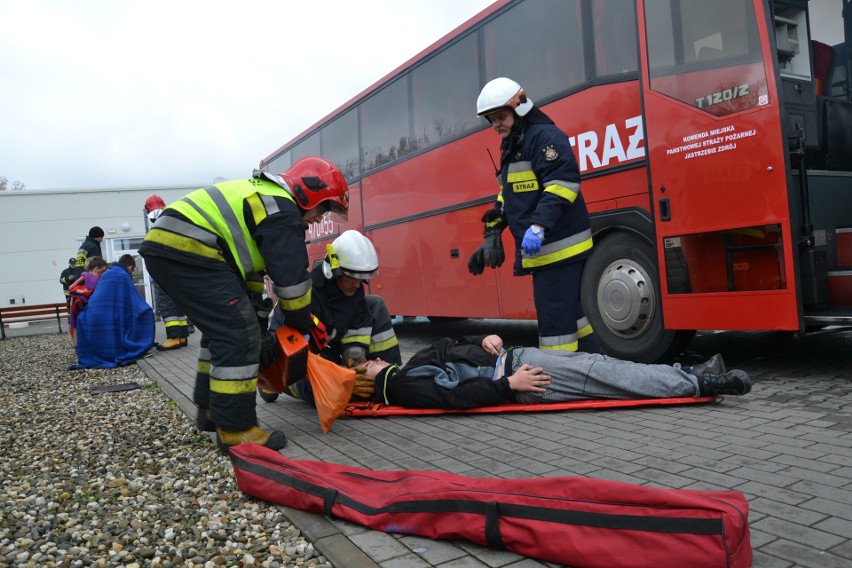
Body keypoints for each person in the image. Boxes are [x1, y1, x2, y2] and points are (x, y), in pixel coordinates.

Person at [138, 157, 350, 453]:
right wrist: (300, 327)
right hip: (189, 249)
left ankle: (212, 410)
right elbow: (292, 283)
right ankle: (236, 429)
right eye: (323, 207)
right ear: (307, 192)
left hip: (172, 248)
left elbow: (248, 273)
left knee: (223, 333)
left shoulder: (262, 196)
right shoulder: (282, 209)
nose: (320, 218)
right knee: (238, 335)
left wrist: (259, 318)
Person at [469, 77, 600, 355]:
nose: (496, 125)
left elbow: (562, 184)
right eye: (492, 120)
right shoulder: (514, 142)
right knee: (573, 315)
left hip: (559, 248)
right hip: (549, 251)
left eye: (501, 117)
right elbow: (510, 192)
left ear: (520, 108)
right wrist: (492, 231)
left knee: (555, 322)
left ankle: (561, 378)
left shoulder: (545, 137)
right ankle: (594, 362)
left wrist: (538, 226)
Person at [357, 335, 751, 410]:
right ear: (366, 380)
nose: (372, 359)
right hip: (522, 374)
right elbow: (455, 399)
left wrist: (484, 338)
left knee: (607, 368)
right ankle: (702, 382)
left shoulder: (409, 368)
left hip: (515, 358)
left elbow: (449, 345)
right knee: (608, 376)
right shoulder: (404, 387)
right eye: (365, 365)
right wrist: (509, 385)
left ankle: (687, 373)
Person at [267, 230, 402, 404]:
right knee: (319, 393)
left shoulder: (354, 292)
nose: (357, 283)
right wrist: (336, 377)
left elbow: (357, 329)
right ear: (333, 271)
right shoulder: (306, 297)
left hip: (327, 351)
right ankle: (271, 384)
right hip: (290, 359)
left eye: (361, 278)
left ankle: (390, 376)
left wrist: (355, 364)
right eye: (351, 277)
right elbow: (300, 355)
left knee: (375, 303)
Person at [73, 254, 154, 369]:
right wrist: (147, 311)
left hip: (90, 316)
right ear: (130, 268)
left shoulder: (108, 272)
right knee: (143, 314)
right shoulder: (122, 275)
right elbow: (134, 302)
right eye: (133, 271)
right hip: (107, 317)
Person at [143, 195, 189, 351]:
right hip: (177, 271)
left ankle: (174, 338)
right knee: (178, 304)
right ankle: (182, 336)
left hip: (164, 271)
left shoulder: (157, 227)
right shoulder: (173, 222)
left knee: (167, 304)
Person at [68, 256, 109, 345]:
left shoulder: (101, 279)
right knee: (79, 333)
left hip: (94, 310)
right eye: (103, 270)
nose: (104, 272)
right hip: (81, 309)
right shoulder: (85, 277)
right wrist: (84, 291)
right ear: (97, 269)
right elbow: (71, 288)